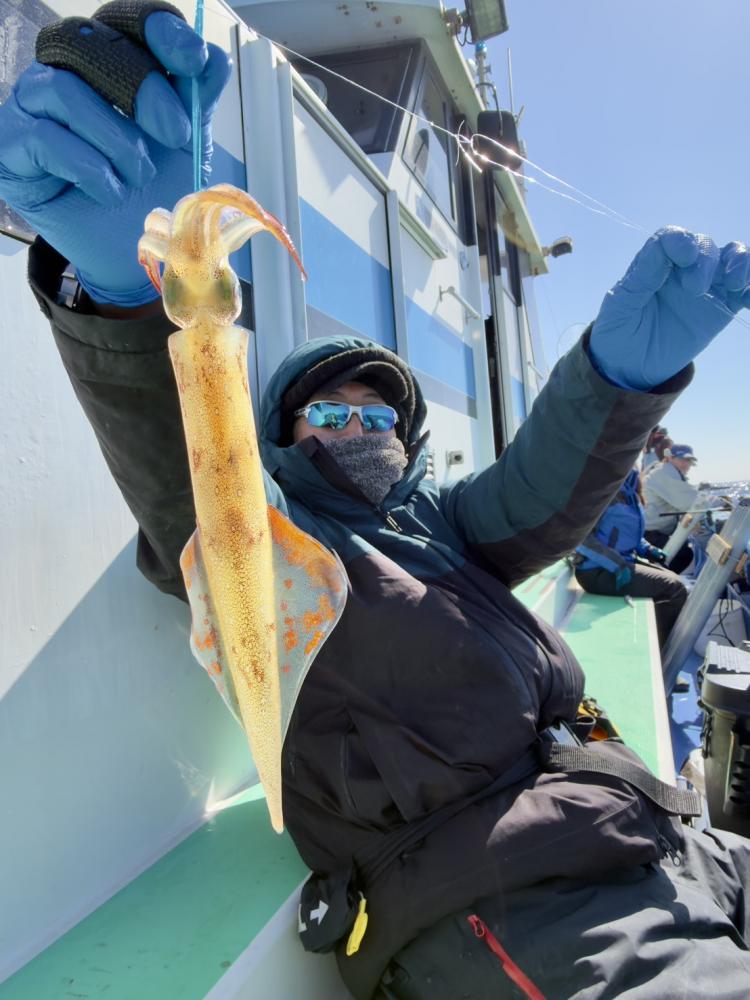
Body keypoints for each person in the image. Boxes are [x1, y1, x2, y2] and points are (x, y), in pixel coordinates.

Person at [3, 5, 750, 998]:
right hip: (517, 911)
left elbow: (542, 488)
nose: (357, 427)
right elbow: (193, 478)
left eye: (377, 413)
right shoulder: (278, 544)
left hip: (656, 836)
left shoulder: (444, 522)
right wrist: (140, 293)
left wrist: (617, 378)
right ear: (285, 439)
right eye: (328, 413)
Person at [574, 468, 688, 647]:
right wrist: (617, 565)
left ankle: (656, 640)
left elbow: (628, 533)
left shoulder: (630, 493)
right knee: (674, 589)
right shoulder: (601, 492)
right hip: (597, 571)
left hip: (622, 564)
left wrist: (648, 549)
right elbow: (580, 538)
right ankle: (660, 649)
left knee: (677, 580)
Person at [643, 443, 725, 574]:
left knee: (686, 552)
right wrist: (725, 502)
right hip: (652, 535)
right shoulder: (665, 474)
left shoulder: (668, 473)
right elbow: (690, 501)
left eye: (689, 460)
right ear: (670, 458)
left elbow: (682, 499)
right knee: (685, 556)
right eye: (682, 459)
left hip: (656, 532)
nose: (686, 464)